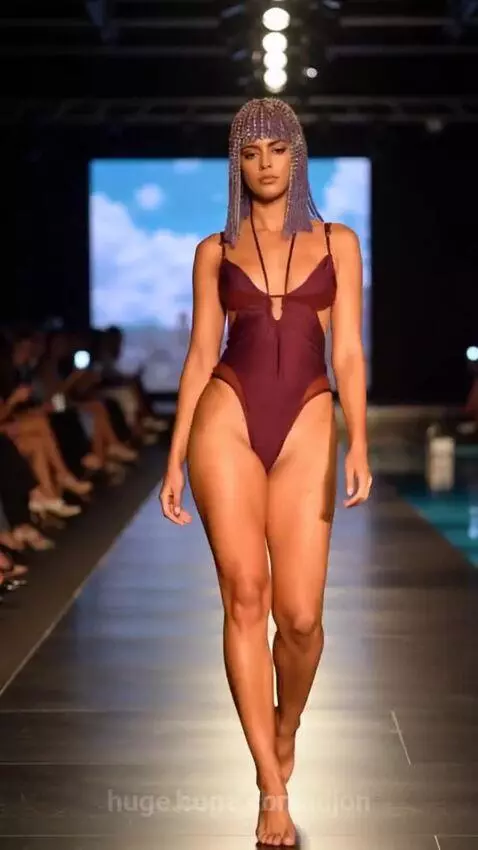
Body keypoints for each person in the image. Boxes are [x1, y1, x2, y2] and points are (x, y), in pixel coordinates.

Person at [159, 98, 372, 847]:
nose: (265, 164)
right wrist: (174, 457)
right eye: (250, 153)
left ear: (297, 154)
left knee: (302, 617)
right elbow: (199, 355)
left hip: (309, 418)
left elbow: (347, 351)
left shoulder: (339, 242)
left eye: (277, 149)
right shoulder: (214, 251)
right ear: (236, 164)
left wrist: (361, 439)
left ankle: (287, 728)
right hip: (226, 416)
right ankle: (270, 784)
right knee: (245, 597)